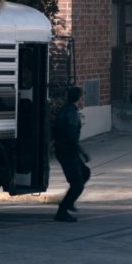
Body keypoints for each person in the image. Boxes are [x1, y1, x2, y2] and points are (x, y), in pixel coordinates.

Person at [52, 86, 91, 222]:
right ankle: (62, 210)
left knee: (85, 172)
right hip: (68, 151)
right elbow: (71, 136)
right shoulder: (71, 114)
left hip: (65, 149)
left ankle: (69, 202)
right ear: (78, 99)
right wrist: (83, 153)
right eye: (82, 97)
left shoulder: (64, 110)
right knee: (77, 184)